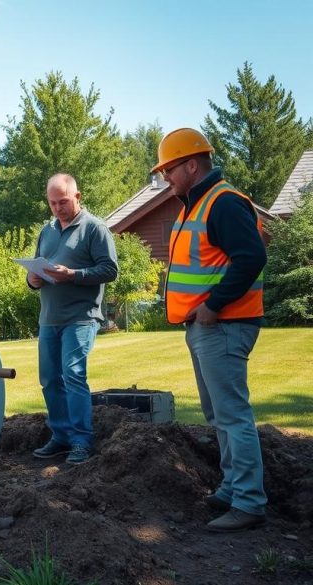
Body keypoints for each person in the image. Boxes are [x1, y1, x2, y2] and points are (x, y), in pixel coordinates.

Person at [154, 128, 268, 533]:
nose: (165, 177)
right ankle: (232, 488)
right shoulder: (193, 206)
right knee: (216, 414)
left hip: (223, 325)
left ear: (191, 164)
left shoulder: (222, 203)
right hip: (204, 328)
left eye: (168, 169)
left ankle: (250, 502)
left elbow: (252, 257)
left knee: (233, 415)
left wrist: (214, 306)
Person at [28, 173, 118, 465]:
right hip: (49, 318)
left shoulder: (94, 228)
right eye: (52, 203)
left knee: (73, 375)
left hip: (81, 317)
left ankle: (82, 441)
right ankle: (62, 437)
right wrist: (33, 280)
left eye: (63, 201)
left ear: (77, 197)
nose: (57, 208)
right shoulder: (47, 231)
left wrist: (74, 275)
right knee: (49, 379)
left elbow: (109, 270)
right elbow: (36, 271)